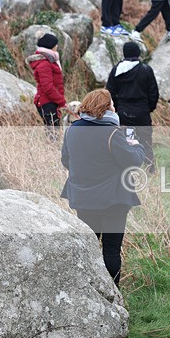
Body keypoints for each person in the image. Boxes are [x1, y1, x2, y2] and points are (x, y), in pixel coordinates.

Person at [61, 88, 145, 287]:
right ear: (106, 108)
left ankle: (86, 291)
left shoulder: (72, 130)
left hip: (83, 198)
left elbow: (66, 161)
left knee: (88, 248)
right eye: (112, 104)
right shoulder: (113, 133)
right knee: (111, 251)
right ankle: (112, 298)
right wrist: (136, 145)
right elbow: (133, 161)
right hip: (113, 200)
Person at [106, 41, 159, 171]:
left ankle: (126, 167)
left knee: (124, 139)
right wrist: (149, 108)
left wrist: (117, 108)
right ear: (138, 53)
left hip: (123, 112)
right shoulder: (146, 70)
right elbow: (154, 93)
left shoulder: (116, 70)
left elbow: (110, 92)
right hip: (141, 111)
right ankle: (149, 168)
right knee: (146, 140)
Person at [28, 33, 66, 135]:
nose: (57, 46)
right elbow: (48, 87)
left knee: (54, 131)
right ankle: (51, 150)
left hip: (51, 101)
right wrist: (61, 101)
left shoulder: (49, 61)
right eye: (55, 44)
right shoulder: (44, 64)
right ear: (51, 46)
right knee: (53, 133)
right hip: (47, 103)